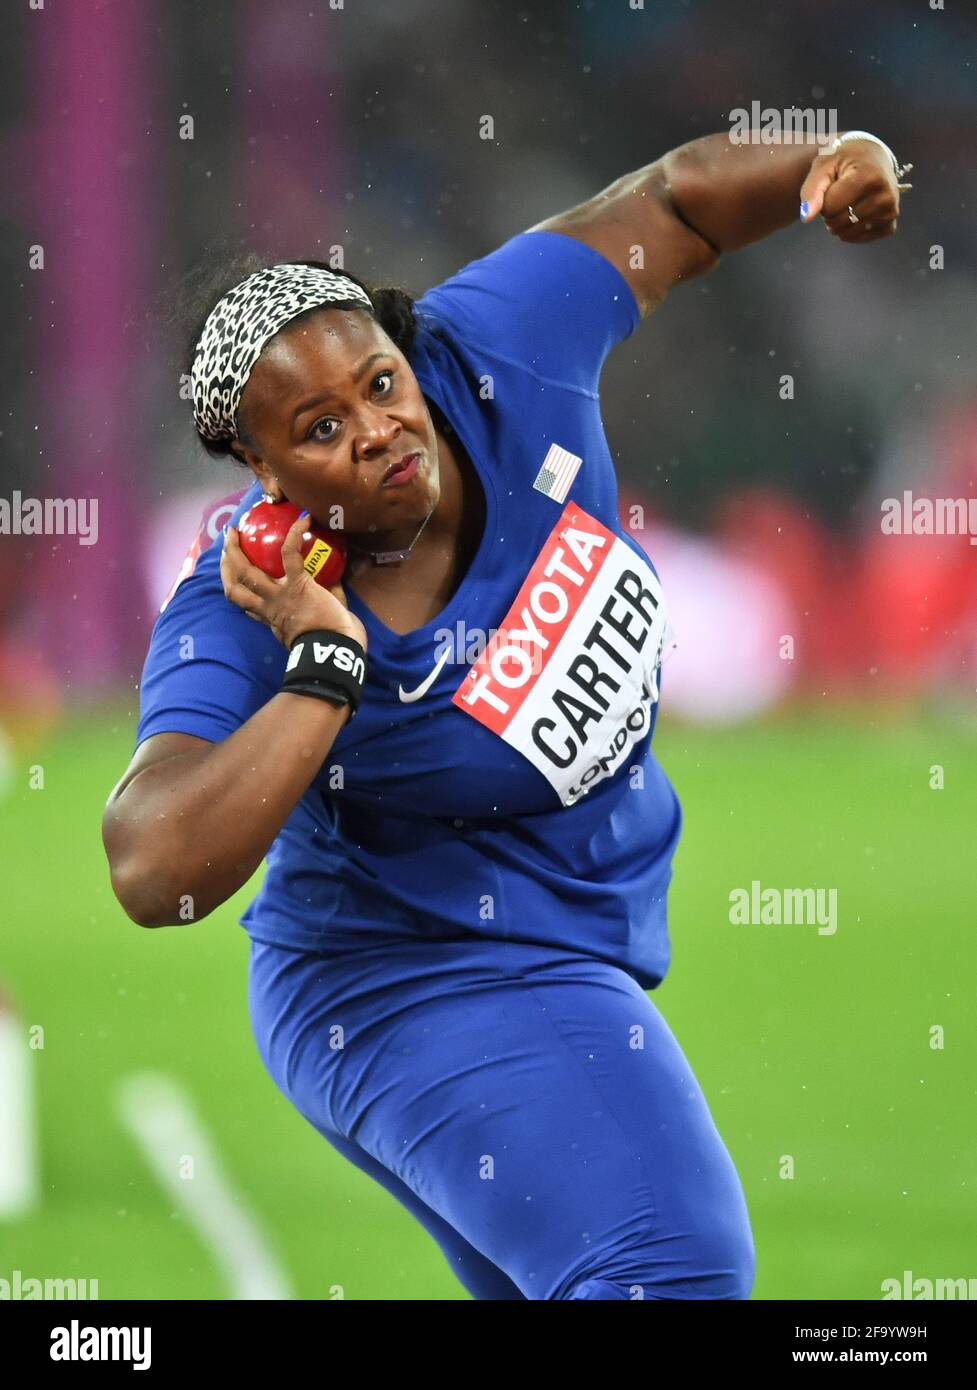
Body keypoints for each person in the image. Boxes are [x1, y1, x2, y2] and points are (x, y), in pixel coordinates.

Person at [103, 129, 907, 1300]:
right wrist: (325, 665)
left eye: (379, 383)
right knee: (670, 1267)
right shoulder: (246, 602)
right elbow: (149, 864)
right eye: (319, 429)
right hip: (400, 980)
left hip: (579, 924)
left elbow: (673, 203)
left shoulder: (496, 343)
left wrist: (820, 163)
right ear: (258, 471)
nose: (378, 426)